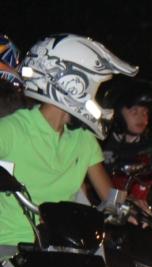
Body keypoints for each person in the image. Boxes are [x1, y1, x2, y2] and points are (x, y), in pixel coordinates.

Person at [0, 34, 137, 248]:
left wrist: (131, 207)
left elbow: (111, 199)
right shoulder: (12, 129)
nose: (99, 98)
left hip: (64, 249)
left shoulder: (83, 139)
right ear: (71, 84)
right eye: (95, 88)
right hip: (10, 249)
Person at [101, 78, 152, 171]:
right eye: (134, 111)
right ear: (117, 113)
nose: (141, 117)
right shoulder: (100, 143)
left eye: (145, 112)